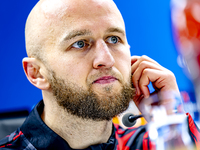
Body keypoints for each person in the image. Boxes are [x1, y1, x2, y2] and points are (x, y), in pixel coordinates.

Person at [0, 0, 199, 149]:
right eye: (80, 43)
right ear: (37, 73)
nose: (107, 59)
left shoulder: (157, 144)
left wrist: (173, 126)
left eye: (114, 39)